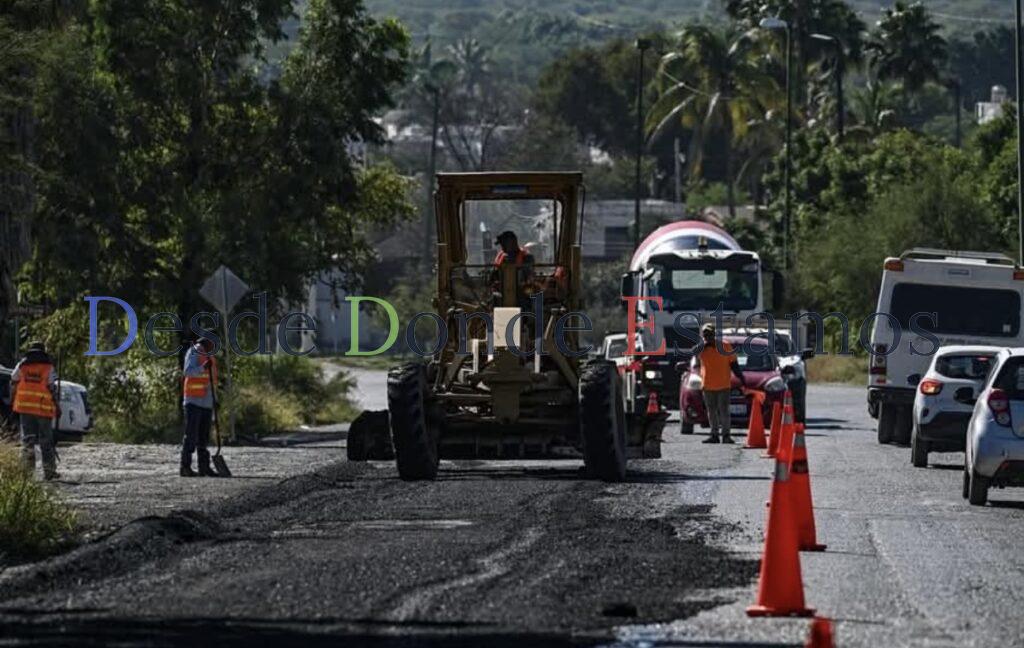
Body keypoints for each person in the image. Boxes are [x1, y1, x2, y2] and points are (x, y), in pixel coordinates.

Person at [10, 341, 60, 479]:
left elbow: (13, 379)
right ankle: (49, 472)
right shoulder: (48, 367)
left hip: (25, 408)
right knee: (46, 441)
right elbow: (51, 386)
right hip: (43, 409)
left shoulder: (22, 365)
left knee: (28, 441)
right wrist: (57, 405)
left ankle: (27, 473)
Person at [693, 324, 745, 444]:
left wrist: (741, 378)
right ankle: (714, 434)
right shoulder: (702, 348)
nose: (708, 336)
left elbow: (734, 365)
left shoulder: (725, 346)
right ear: (703, 336)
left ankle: (726, 435)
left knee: (724, 411)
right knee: (711, 412)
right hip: (707, 385)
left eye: (710, 334)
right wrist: (704, 345)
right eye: (705, 335)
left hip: (723, 385)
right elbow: (694, 353)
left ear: (714, 334)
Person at [181, 337, 219, 477]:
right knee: (191, 435)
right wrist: (203, 367)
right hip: (193, 401)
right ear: (207, 342)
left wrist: (215, 399)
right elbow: (188, 371)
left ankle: (204, 467)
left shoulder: (211, 356)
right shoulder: (194, 352)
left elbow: (212, 381)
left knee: (203, 437)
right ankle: (185, 467)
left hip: (207, 402)